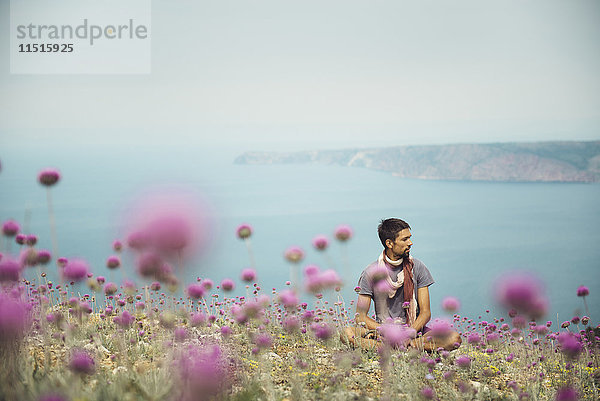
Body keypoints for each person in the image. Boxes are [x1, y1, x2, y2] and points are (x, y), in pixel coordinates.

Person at [342, 218, 461, 351]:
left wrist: (408, 333)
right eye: (404, 239)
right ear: (389, 243)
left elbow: (425, 312)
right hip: (383, 333)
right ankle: (391, 347)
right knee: (347, 333)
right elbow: (361, 316)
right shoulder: (371, 273)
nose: (410, 243)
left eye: (409, 238)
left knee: (454, 338)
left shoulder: (418, 267)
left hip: (416, 332)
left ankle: (407, 346)